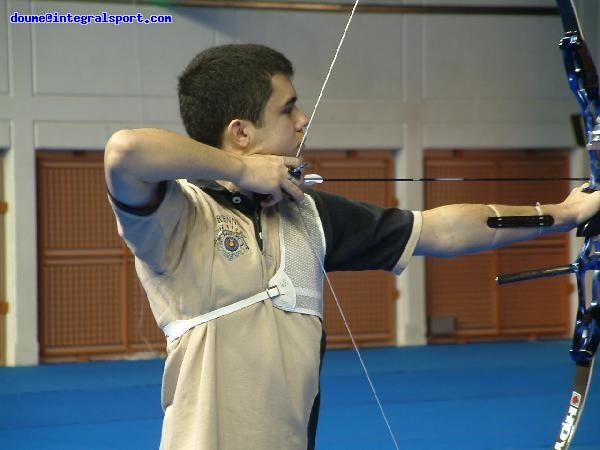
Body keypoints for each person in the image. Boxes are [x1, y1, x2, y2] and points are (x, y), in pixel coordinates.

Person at [104, 43, 600, 450]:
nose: (301, 120)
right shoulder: (179, 218)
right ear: (240, 133)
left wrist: (563, 214)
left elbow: (441, 229)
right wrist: (239, 170)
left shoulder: (308, 214)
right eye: (287, 108)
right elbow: (126, 151)